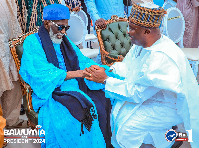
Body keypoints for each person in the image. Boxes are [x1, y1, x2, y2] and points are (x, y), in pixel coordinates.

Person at [83, 2, 199, 148]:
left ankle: (175, 138)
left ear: (146, 32)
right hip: (149, 95)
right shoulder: (141, 45)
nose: (127, 32)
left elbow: (137, 93)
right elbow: (127, 67)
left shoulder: (161, 56)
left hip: (168, 105)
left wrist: (105, 80)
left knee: (127, 129)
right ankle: (166, 140)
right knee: (117, 113)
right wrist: (107, 71)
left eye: (132, 28)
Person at [19, 4, 113, 148]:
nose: (63, 32)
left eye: (66, 28)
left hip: (75, 83)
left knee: (104, 99)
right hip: (50, 90)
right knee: (77, 114)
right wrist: (77, 73)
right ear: (46, 23)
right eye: (60, 27)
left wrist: (94, 68)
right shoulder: (32, 42)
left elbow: (80, 60)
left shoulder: (64, 40)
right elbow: (40, 73)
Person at [0, 0, 25, 129]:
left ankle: (11, 120)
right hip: (1, 45)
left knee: (13, 83)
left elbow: (14, 23)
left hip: (10, 45)